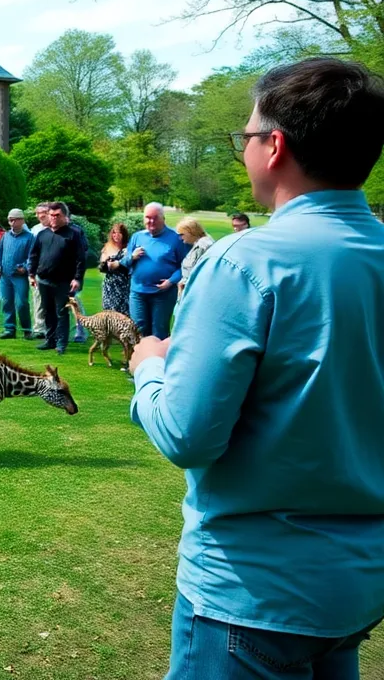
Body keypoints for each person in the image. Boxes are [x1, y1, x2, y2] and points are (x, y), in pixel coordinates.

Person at [129, 57, 384, 679]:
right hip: (359, 584)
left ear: (275, 146)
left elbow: (188, 435)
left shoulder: (247, 263)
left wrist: (149, 369)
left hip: (254, 594)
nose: (243, 149)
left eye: (244, 136)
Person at [121, 203, 188, 340]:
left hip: (163, 294)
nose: (151, 221)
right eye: (148, 218)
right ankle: (139, 360)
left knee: (159, 331)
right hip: (138, 292)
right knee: (138, 329)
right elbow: (124, 262)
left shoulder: (176, 238)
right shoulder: (137, 237)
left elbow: (185, 266)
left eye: (155, 218)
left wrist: (171, 281)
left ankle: (159, 360)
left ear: (163, 218)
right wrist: (132, 257)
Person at [28, 202, 87, 355]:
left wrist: (77, 278)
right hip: (44, 280)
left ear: (64, 216)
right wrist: (31, 274)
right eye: (51, 215)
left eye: (57, 215)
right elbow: (34, 255)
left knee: (61, 312)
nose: (53, 218)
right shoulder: (42, 234)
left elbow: (80, 259)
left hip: (64, 281)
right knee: (48, 311)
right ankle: (50, 339)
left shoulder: (73, 234)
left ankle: (61, 343)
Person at [0, 208, 34, 340]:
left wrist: (25, 267)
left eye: (14, 220)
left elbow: (32, 256)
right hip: (5, 275)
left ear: (21, 220)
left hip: (19, 276)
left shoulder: (29, 237)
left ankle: (26, 329)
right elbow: (0, 253)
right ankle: (9, 329)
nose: (11, 222)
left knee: (22, 302)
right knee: (6, 302)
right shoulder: (5, 236)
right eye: (9, 220)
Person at [97, 223, 131, 317]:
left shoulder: (128, 248)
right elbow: (102, 267)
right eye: (114, 233)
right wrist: (105, 262)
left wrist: (117, 263)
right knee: (109, 313)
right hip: (110, 285)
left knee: (124, 313)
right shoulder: (107, 247)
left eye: (119, 233)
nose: (116, 235)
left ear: (123, 234)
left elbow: (128, 265)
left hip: (124, 284)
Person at [175, 217, 214, 299]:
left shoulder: (203, 246)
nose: (180, 238)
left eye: (182, 234)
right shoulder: (200, 243)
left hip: (195, 294)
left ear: (191, 231)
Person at [29, 203, 51, 338]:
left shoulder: (57, 228)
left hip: (56, 271)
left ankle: (78, 329)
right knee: (38, 300)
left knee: (66, 300)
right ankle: (39, 328)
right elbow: (32, 252)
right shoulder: (35, 230)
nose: (39, 215)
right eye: (37, 213)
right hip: (38, 270)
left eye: (42, 212)